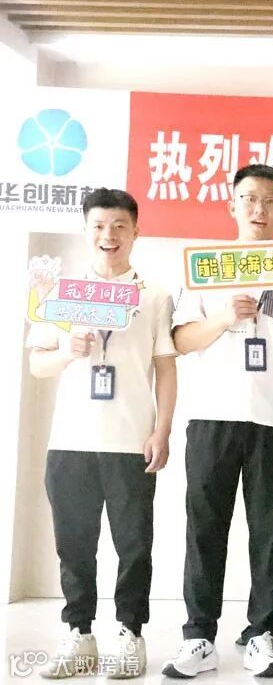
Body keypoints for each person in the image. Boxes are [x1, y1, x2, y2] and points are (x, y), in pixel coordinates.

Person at [163, 164, 273, 679]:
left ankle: (261, 634)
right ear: (232, 205)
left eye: (270, 200)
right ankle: (198, 636)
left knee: (271, 532)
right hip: (212, 417)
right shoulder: (205, 265)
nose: (259, 209)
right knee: (204, 528)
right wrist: (226, 317)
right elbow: (181, 340)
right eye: (249, 198)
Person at [28, 188, 177, 679]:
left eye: (119, 226)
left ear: (136, 231)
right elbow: (38, 364)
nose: (108, 235)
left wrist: (162, 430)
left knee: (134, 545)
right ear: (85, 230)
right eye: (98, 225)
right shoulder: (60, 293)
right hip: (70, 441)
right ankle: (79, 634)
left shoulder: (153, 295)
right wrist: (67, 351)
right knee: (73, 544)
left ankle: (131, 633)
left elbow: (165, 368)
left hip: (130, 441)